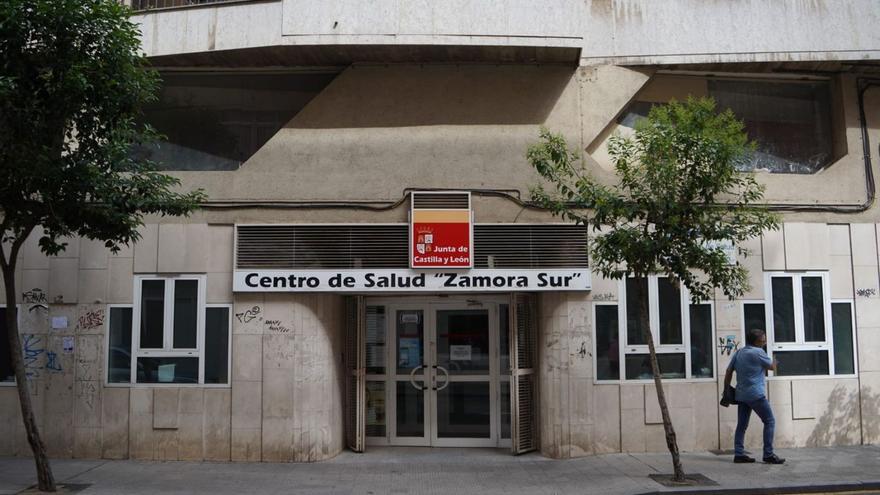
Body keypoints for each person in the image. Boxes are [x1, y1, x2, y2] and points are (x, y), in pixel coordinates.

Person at [723, 329, 785, 464]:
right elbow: (772, 368)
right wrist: (774, 358)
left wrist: (726, 388)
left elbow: (728, 371)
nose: (764, 342)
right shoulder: (758, 352)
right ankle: (768, 454)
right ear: (756, 341)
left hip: (741, 395)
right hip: (756, 395)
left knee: (742, 425)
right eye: (763, 340)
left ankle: (739, 454)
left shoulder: (739, 352)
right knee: (769, 421)